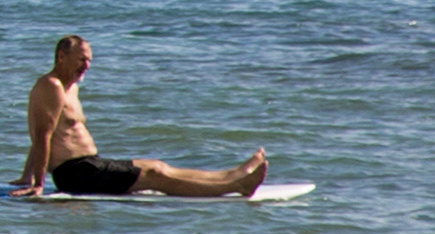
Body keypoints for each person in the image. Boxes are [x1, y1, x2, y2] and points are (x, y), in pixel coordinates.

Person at [19, 36, 269, 198]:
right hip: (75, 175)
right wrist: (38, 184)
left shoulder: (70, 85)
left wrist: (26, 175)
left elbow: (42, 136)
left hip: (88, 166)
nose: (87, 65)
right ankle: (236, 187)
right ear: (61, 57)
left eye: (90, 60)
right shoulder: (51, 86)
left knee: (158, 166)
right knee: (156, 176)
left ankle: (234, 174)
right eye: (81, 59)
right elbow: (43, 136)